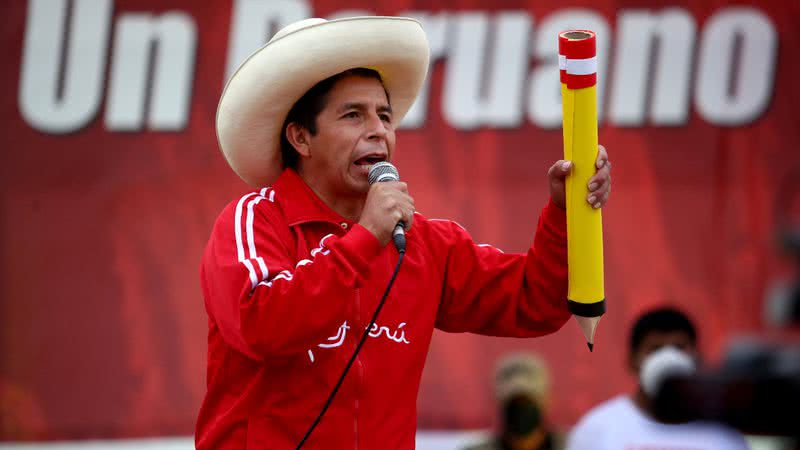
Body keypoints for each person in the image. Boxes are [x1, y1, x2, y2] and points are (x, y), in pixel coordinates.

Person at [196, 16, 612, 450]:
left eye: (385, 115)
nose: (378, 130)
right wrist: (364, 238)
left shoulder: (424, 243)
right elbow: (261, 323)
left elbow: (535, 302)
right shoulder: (253, 220)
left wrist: (565, 213)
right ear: (301, 138)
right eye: (353, 115)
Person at [564, 307, 750, 450]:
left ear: (698, 358)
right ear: (632, 362)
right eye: (655, 349)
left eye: (679, 347)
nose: (668, 358)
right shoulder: (597, 430)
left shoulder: (724, 435)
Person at [463, 353, 563, 450]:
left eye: (528, 402)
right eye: (514, 403)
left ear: (547, 401)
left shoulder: (573, 446)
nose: (521, 412)